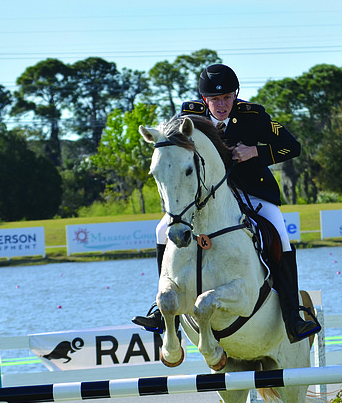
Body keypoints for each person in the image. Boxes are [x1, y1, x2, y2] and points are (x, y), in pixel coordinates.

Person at [133, 64, 321, 343]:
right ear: (204, 99)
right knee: (162, 231)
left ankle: (293, 316)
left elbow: (291, 146)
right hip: (207, 196)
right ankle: (161, 311)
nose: (222, 105)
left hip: (253, 192)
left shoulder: (253, 115)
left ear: (236, 95)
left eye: (227, 98)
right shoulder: (189, 115)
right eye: (215, 99)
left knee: (281, 234)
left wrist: (254, 151)